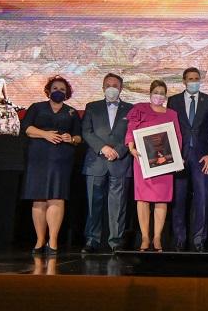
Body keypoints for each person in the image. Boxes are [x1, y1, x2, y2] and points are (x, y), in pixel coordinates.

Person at [21, 75, 82, 255]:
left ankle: (53, 240)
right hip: (38, 158)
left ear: (67, 93)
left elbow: (78, 137)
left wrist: (70, 138)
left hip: (61, 159)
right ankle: (40, 240)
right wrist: (45, 134)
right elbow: (26, 128)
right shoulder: (36, 107)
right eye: (55, 88)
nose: (58, 92)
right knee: (38, 199)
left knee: (56, 197)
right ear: (49, 90)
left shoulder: (71, 112)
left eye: (62, 90)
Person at [126, 80, 182, 252]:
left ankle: (157, 238)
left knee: (161, 199)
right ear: (150, 93)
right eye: (155, 92)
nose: (158, 95)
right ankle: (144, 237)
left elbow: (177, 136)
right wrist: (131, 147)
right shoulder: (139, 109)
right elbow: (131, 130)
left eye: (162, 92)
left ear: (165, 96)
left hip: (164, 163)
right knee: (142, 199)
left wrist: (176, 159)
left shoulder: (172, 113)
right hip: (142, 161)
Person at [81, 73, 134, 253]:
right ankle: (91, 240)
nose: (112, 87)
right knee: (93, 203)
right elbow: (86, 132)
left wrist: (119, 151)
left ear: (121, 88)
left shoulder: (131, 109)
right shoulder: (92, 107)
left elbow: (132, 134)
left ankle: (115, 242)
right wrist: (103, 148)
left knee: (118, 205)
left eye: (115, 85)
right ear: (103, 88)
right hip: (96, 162)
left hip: (120, 162)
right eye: (108, 84)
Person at [167, 67, 208, 252]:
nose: (194, 81)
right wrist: (172, 155)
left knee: (202, 199)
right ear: (184, 81)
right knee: (178, 200)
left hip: (202, 158)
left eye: (196, 78)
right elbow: (168, 129)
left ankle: (198, 240)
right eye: (190, 78)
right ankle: (179, 239)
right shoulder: (174, 101)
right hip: (179, 156)